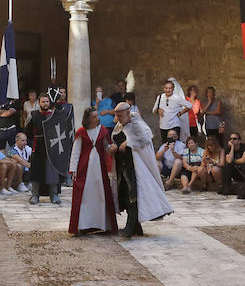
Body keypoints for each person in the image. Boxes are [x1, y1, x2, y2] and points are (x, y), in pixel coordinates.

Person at [110, 102, 172, 237]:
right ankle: (136, 227)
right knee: (125, 194)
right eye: (117, 116)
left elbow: (145, 137)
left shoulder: (137, 124)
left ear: (127, 113)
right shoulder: (119, 125)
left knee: (133, 195)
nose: (118, 118)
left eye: (120, 115)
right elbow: (116, 138)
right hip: (122, 166)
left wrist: (129, 142)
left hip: (135, 167)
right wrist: (115, 146)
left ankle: (130, 226)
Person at [68, 109, 116, 234]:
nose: (97, 118)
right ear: (88, 119)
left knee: (101, 195)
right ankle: (83, 226)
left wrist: (113, 148)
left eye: (97, 116)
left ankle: (104, 224)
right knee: (84, 197)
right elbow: (76, 152)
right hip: (84, 170)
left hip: (100, 170)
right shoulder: (81, 132)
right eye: (94, 116)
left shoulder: (103, 130)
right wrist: (73, 169)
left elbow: (106, 147)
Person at [24, 92, 63, 205]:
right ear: (39, 102)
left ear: (49, 103)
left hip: (52, 147)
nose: (45, 104)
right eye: (43, 101)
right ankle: (35, 195)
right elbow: (28, 132)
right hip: (38, 146)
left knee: (52, 171)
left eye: (47, 101)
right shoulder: (34, 115)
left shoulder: (54, 115)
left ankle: (54, 195)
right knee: (36, 171)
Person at [153, 79, 190, 146]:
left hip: (174, 125)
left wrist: (180, 113)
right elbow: (154, 110)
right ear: (163, 88)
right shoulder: (160, 97)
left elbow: (189, 105)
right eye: (166, 88)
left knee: (174, 145)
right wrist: (158, 110)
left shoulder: (177, 98)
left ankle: (176, 156)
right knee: (165, 145)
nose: (168, 90)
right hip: (163, 126)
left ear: (173, 89)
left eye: (170, 88)